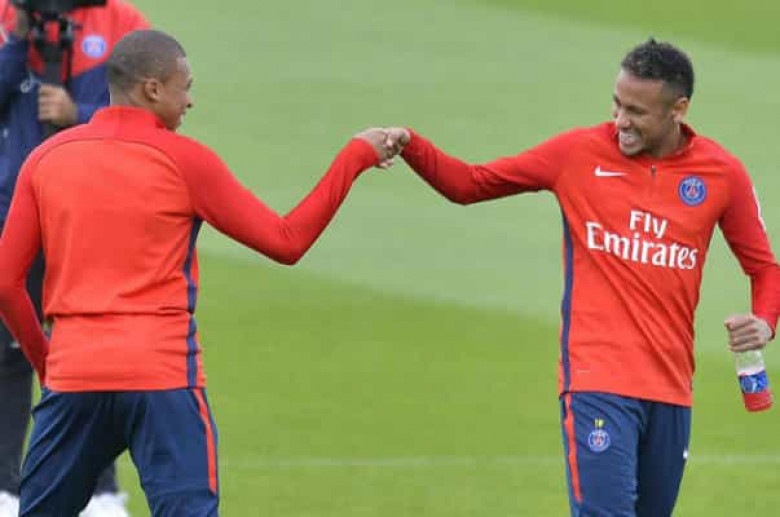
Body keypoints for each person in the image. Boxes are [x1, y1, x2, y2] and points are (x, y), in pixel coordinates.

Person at [0, 28, 394, 516]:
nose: (190, 100)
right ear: (152, 88)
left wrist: (48, 365)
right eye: (184, 86)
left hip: (75, 373)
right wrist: (355, 157)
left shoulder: (45, 158)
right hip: (162, 376)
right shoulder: (185, 160)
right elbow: (286, 241)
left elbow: (6, 283)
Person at [382, 39, 779, 516]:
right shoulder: (577, 153)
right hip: (596, 380)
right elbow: (469, 184)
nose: (621, 120)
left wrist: (765, 321)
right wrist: (411, 144)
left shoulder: (721, 174)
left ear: (678, 109)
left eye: (636, 111)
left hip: (671, 388)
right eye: (617, 104)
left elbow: (764, 267)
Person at [0, 1, 149, 516]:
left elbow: (146, 113)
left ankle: (100, 491)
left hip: (90, 215)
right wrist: (18, 41)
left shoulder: (122, 23)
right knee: (8, 352)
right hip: (15, 212)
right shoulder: (7, 19)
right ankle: (5, 489)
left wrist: (77, 115)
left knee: (88, 349)